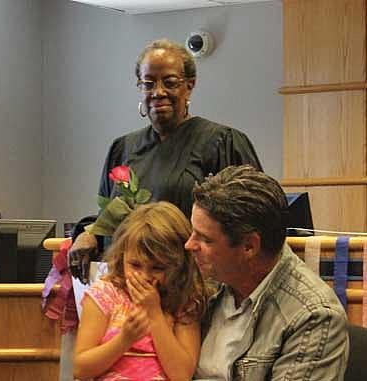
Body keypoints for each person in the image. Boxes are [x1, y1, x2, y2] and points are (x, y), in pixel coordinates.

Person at [69, 38, 262, 283]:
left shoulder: (222, 142)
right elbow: (108, 215)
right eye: (148, 83)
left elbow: (253, 220)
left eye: (170, 82)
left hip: (195, 284)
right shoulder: (123, 149)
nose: (158, 92)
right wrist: (89, 234)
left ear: (189, 86)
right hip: (132, 283)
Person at [185, 165, 348, 380]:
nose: (189, 245)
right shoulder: (207, 283)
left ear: (249, 247)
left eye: (205, 239)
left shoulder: (313, 316)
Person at [73, 202, 210, 381]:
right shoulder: (104, 295)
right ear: (122, 255)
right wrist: (124, 340)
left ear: (178, 265)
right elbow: (81, 369)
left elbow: (182, 374)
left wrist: (154, 313)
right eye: (135, 265)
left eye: (157, 268)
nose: (144, 276)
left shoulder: (184, 302)